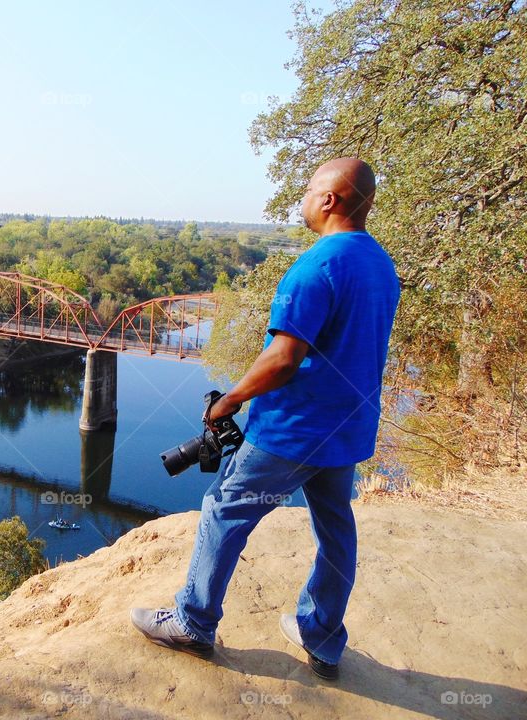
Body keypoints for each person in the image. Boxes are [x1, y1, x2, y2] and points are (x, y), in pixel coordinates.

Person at [130, 158, 400, 681]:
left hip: (292, 431)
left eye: (309, 188)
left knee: (224, 511)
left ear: (329, 200)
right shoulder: (379, 263)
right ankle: (322, 637)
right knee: (335, 527)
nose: (302, 197)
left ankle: (193, 622)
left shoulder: (316, 266)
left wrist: (229, 401)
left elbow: (284, 357)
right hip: (348, 428)